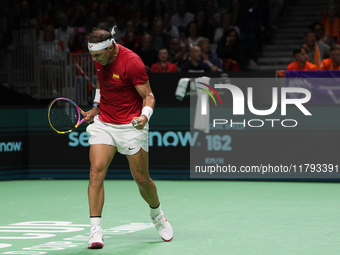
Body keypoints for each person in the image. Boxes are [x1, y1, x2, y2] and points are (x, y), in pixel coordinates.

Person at [85, 27, 173, 249]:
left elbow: (149, 96)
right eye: (92, 55)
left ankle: (158, 215)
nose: (94, 59)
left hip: (131, 124)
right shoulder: (100, 58)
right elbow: (101, 84)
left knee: (142, 180)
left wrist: (144, 117)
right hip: (104, 123)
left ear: (111, 48)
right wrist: (96, 106)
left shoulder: (132, 62)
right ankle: (96, 230)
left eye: (97, 55)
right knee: (96, 172)